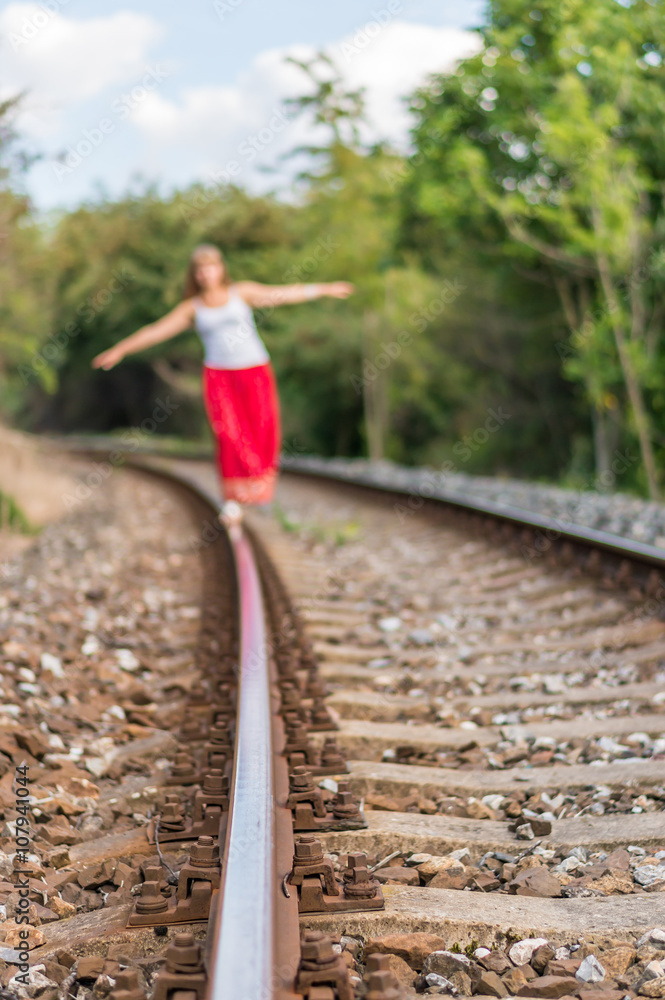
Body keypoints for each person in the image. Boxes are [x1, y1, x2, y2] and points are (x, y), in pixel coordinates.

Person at [92, 243, 354, 522]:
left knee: (262, 429)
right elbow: (156, 331)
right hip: (219, 376)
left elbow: (281, 293)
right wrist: (120, 349)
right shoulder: (192, 308)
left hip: (254, 370)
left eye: (211, 267)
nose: (206, 274)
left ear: (221, 269)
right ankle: (232, 498)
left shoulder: (241, 293)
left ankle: (259, 493)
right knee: (228, 434)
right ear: (194, 275)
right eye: (200, 270)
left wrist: (323, 289)